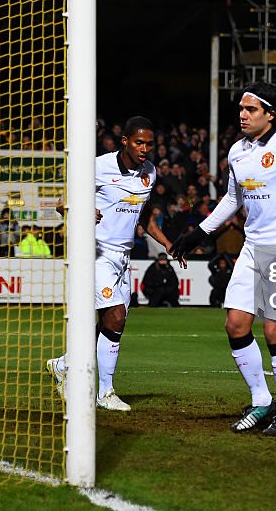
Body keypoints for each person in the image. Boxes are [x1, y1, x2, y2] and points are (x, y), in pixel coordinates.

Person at [170, 82, 276, 436]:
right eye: (241, 109)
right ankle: (262, 401)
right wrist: (199, 232)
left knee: (274, 330)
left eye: (250, 110)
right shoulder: (237, 153)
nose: (242, 115)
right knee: (236, 325)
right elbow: (233, 200)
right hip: (252, 246)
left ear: (270, 114)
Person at [46, 116, 178, 411]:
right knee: (115, 315)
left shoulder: (150, 173)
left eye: (149, 144)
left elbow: (144, 217)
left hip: (123, 256)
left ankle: (64, 364)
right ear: (125, 142)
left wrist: (169, 244)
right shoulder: (98, 166)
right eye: (138, 142)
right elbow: (60, 202)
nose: (144, 148)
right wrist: (80, 209)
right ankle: (104, 392)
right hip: (96, 253)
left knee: (110, 324)